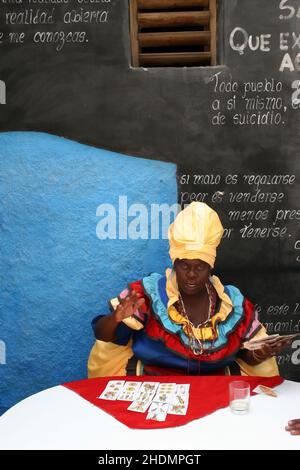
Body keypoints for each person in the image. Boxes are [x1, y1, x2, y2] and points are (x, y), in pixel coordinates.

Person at [88, 202, 292, 377]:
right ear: (174, 263)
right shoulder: (148, 295)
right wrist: (115, 319)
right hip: (153, 385)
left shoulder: (233, 305)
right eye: (184, 266)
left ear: (210, 267)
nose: (192, 274)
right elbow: (103, 335)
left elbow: (246, 355)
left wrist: (261, 352)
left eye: (200, 267)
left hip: (213, 391)